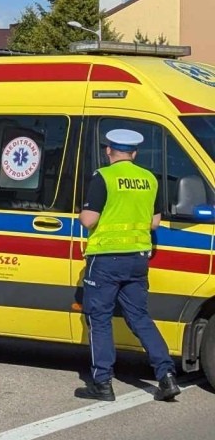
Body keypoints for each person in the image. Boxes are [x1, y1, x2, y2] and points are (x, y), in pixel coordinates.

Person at [75, 128, 181, 402]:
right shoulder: (149, 179)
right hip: (137, 259)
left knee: (99, 320)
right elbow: (154, 222)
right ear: (134, 153)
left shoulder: (104, 176)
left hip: (106, 258)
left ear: (108, 151)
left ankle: (102, 383)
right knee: (140, 317)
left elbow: (88, 220)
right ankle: (166, 376)